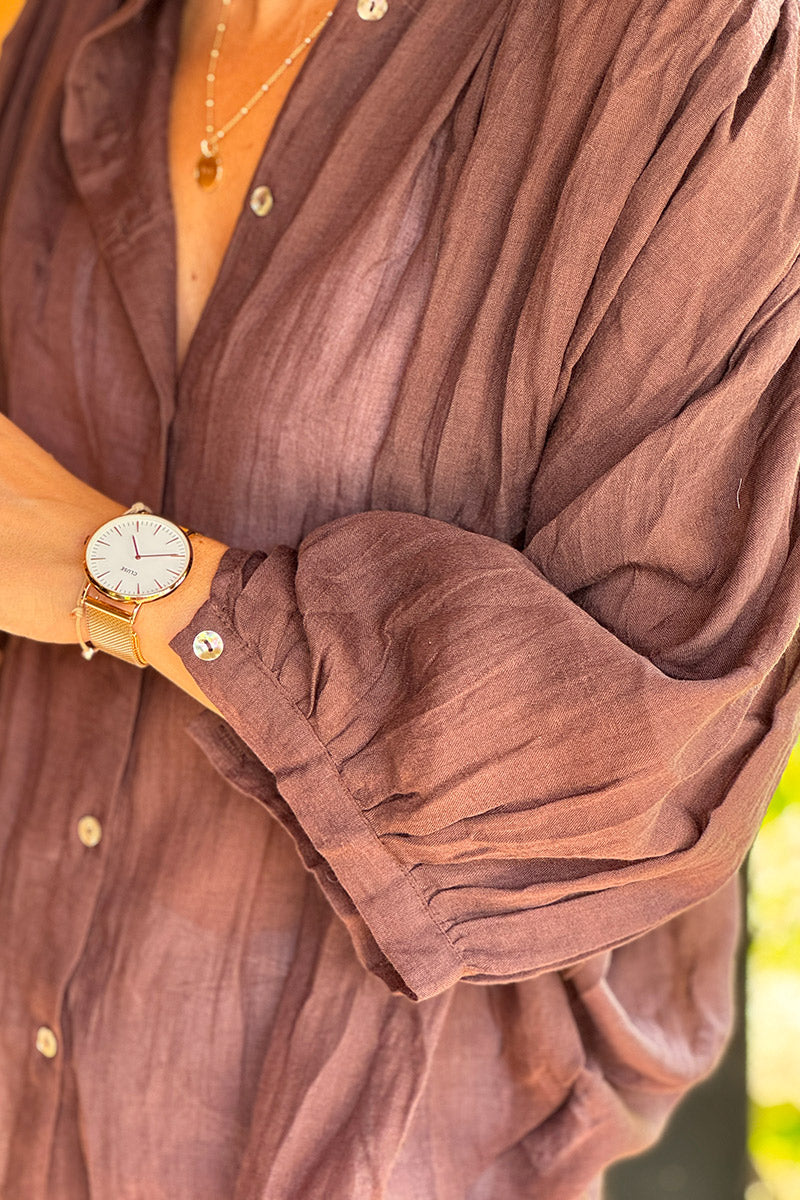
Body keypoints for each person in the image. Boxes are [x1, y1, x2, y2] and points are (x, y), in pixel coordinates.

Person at [0, 0, 797, 1195]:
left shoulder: (682, 44)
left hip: (387, 1153)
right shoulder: (72, 28)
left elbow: (652, 757)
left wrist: (109, 570)